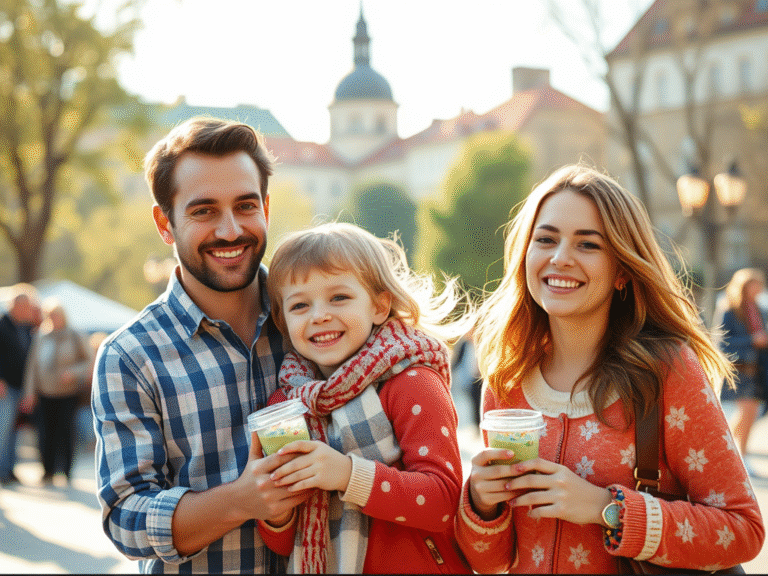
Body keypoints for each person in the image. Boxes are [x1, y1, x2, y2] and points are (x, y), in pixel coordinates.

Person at [455, 164, 765, 573]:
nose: (560, 258)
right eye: (545, 239)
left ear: (622, 270)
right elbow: (490, 560)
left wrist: (607, 508)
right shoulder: (506, 376)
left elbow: (742, 530)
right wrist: (480, 502)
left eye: (588, 245)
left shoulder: (667, 371)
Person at [92, 117, 310, 573]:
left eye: (245, 206)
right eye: (203, 211)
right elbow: (126, 518)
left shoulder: (318, 326)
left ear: (266, 207)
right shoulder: (130, 356)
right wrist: (242, 500)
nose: (230, 231)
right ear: (164, 223)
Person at [259, 222, 473, 573]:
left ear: (378, 305)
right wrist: (279, 509)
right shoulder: (286, 407)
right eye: (299, 306)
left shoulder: (413, 383)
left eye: (339, 297)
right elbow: (282, 543)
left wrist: (346, 475)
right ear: (283, 321)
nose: (320, 315)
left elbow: (442, 502)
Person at [21, 298, 92, 484]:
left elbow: (88, 361)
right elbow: (32, 366)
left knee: (66, 431)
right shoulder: (41, 336)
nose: (53, 318)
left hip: (67, 392)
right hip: (45, 392)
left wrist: (74, 373)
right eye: (50, 315)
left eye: (56, 315)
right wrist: (29, 392)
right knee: (45, 432)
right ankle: (48, 470)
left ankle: (66, 470)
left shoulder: (75, 335)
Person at [714, 268, 768, 474]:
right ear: (745, 286)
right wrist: (751, 341)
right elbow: (721, 342)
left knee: (751, 414)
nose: (759, 289)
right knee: (747, 412)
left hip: (756, 369)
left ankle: (730, 453)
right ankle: (739, 457)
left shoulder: (758, 309)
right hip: (738, 369)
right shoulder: (729, 308)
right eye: (756, 285)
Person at [0, 283, 41, 485]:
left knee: (14, 431)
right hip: (4, 388)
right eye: (24, 306)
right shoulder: (2, 324)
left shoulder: (25, 328)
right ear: (14, 304)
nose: (26, 310)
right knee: (3, 429)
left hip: (19, 387)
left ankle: (9, 468)